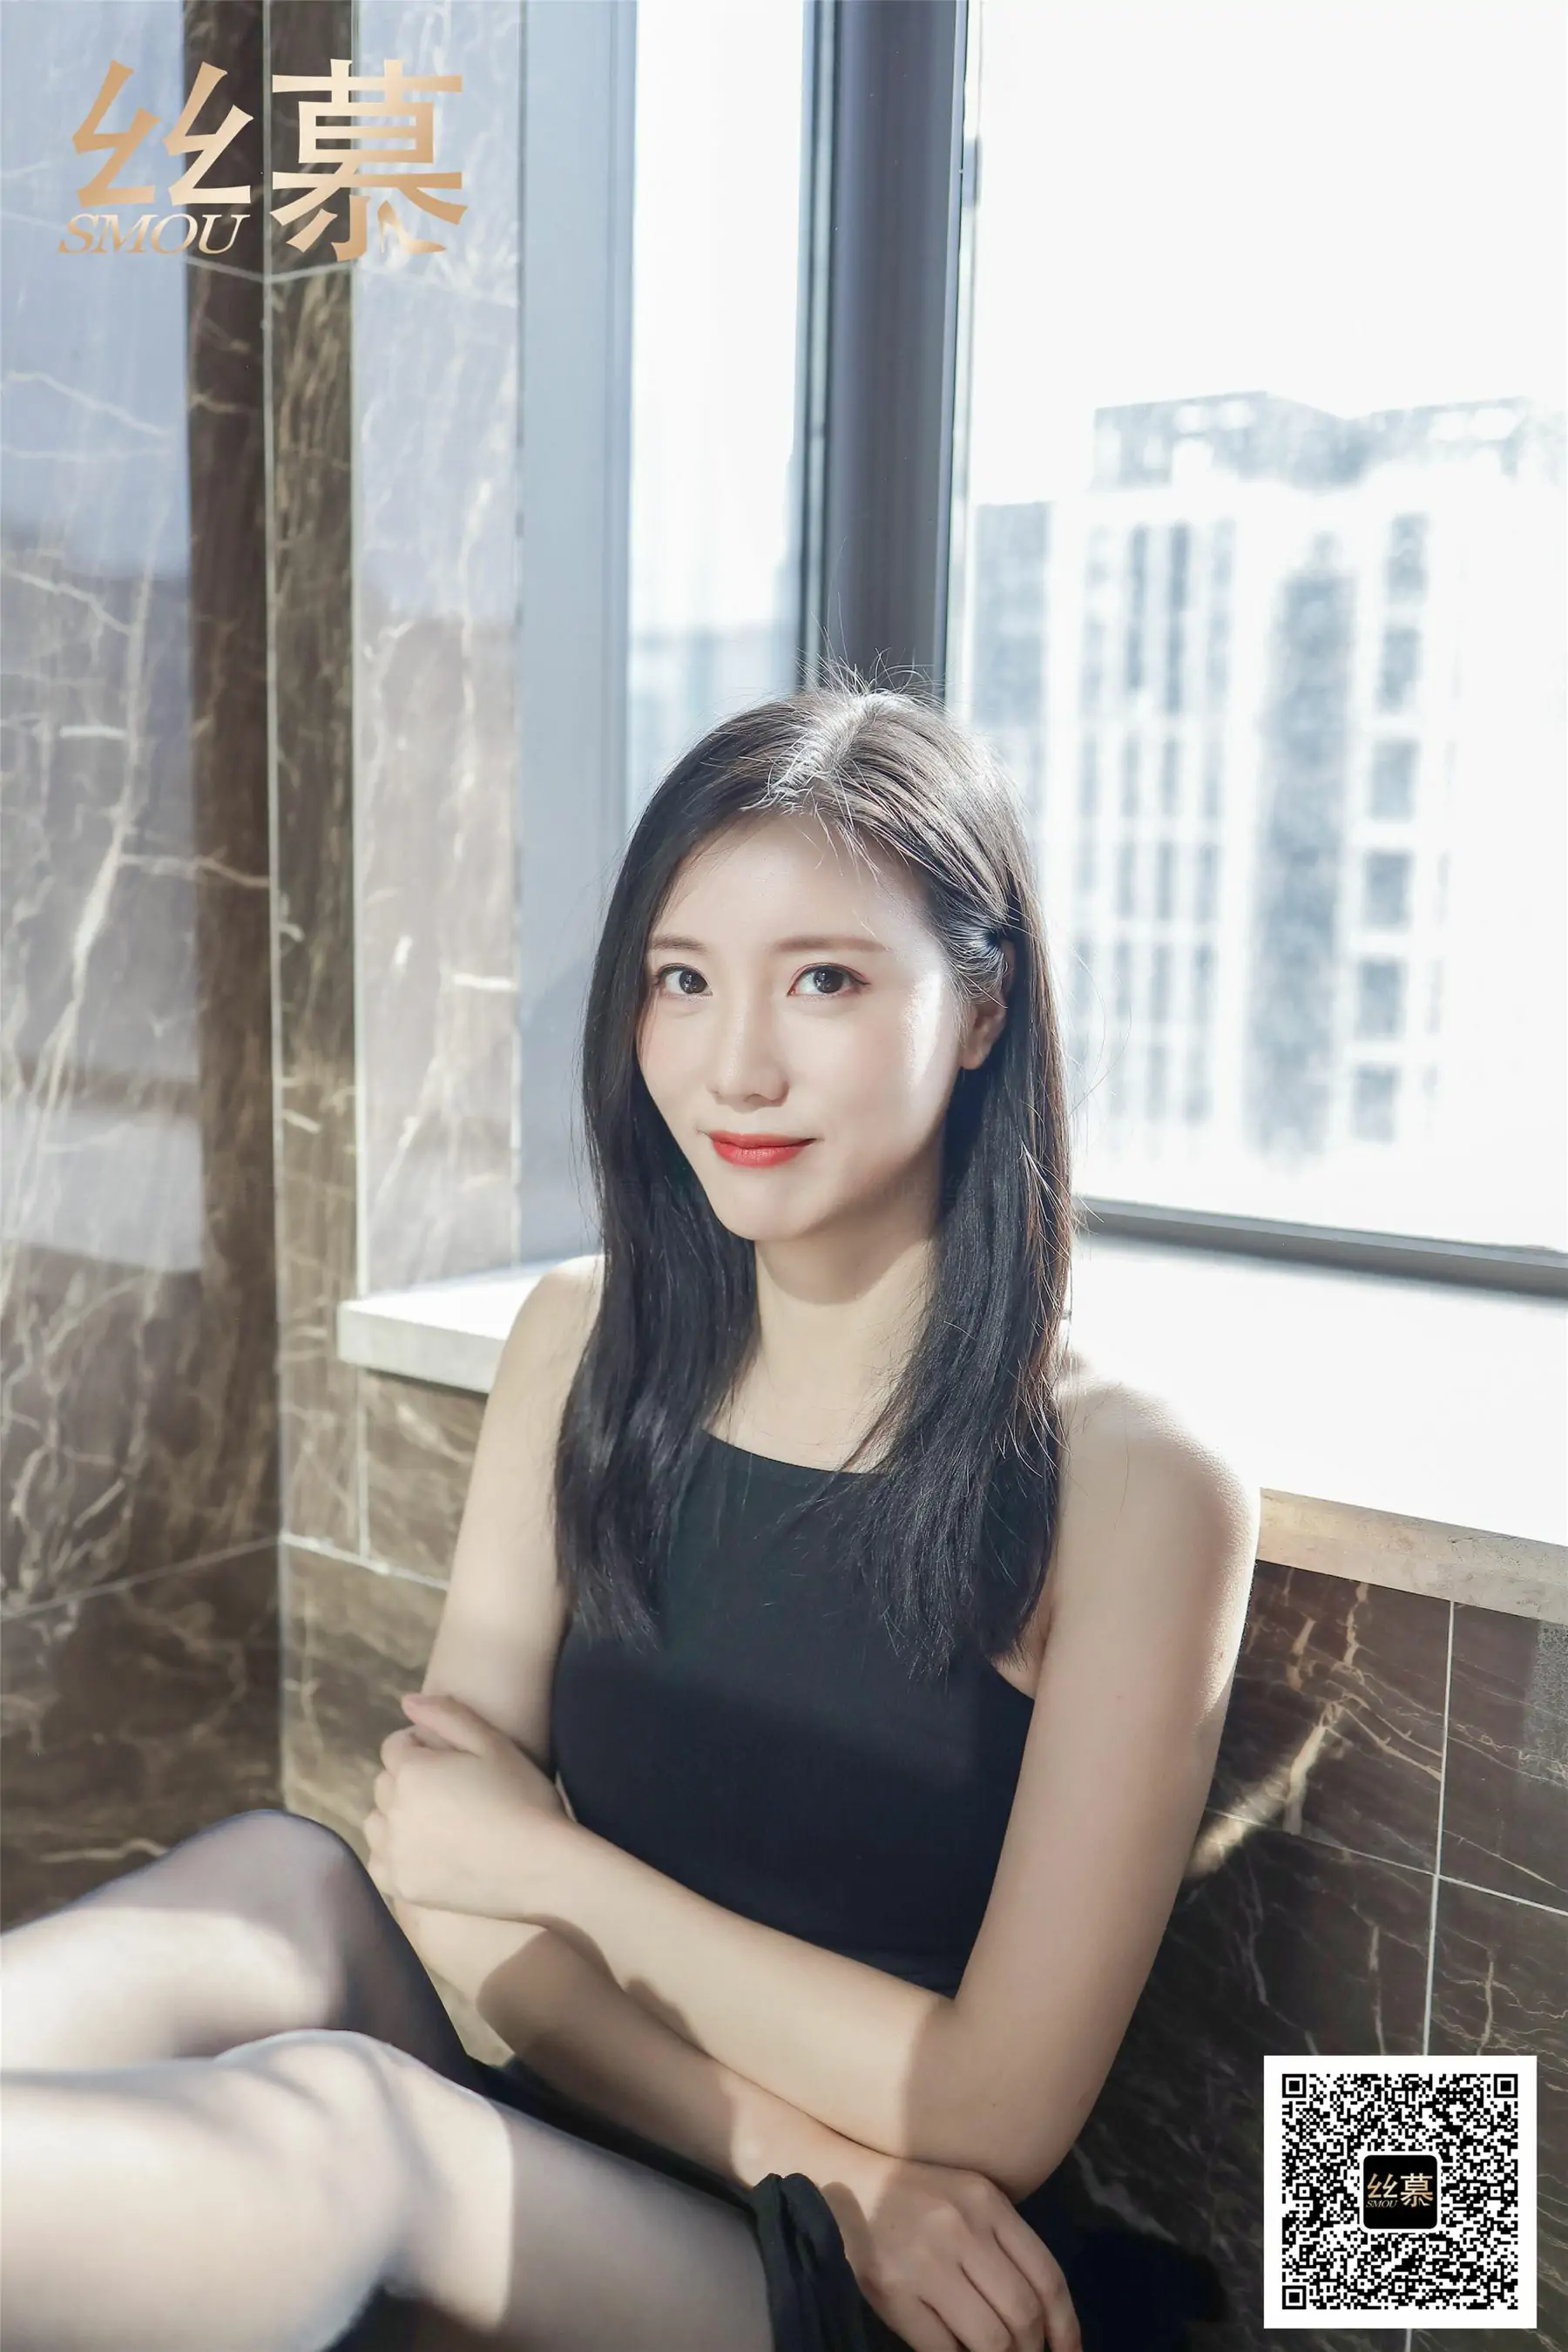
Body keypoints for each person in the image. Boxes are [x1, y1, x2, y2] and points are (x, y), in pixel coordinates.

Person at [0, 679, 1258, 2352]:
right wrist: (820, 2161)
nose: (737, 1063)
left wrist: (554, 1865)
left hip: (886, 2287)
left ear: (979, 1007)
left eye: (824, 980)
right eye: (684, 980)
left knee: (350, 2126)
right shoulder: (582, 1345)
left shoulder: (1139, 1483)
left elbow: (990, 2108)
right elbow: (440, 1884)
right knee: (282, 1882)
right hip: (713, 2175)